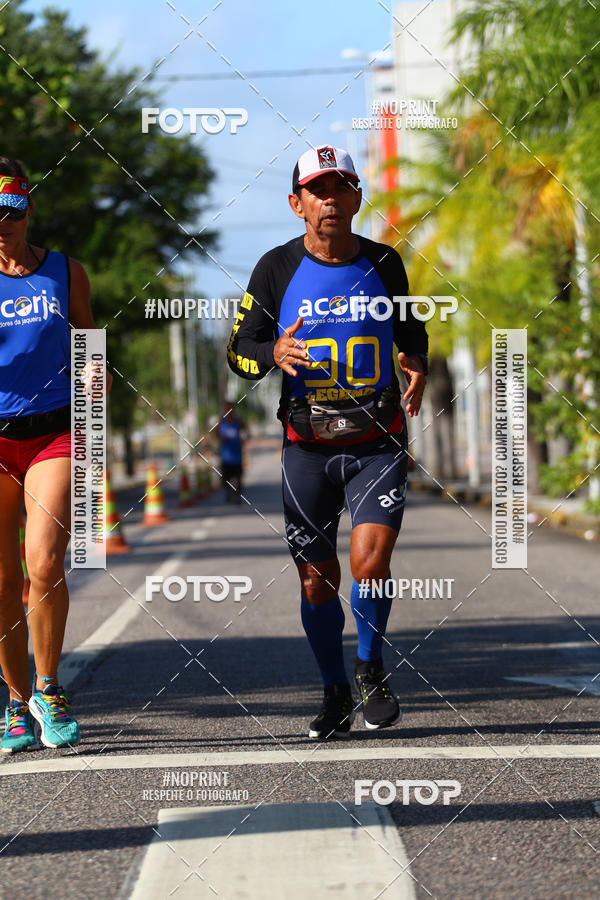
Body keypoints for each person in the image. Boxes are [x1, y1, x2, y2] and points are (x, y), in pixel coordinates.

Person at [227, 145, 428, 739]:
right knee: (317, 579)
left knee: (371, 561)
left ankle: (370, 667)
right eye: (319, 190)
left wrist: (416, 361)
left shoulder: (386, 262)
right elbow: (239, 351)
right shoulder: (274, 268)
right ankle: (334, 688)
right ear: (297, 204)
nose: (331, 199)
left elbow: (410, 330)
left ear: (357, 198)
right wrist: (272, 353)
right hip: (306, 445)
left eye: (342, 187)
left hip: (377, 441)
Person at [0, 157, 112, 753]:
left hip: (55, 433)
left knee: (43, 562)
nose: (1, 223)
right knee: (1, 579)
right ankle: (16, 705)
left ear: (27, 210)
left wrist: (97, 378)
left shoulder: (66, 272)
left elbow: (88, 340)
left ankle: (49, 687)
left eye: (10, 211)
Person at [217, 399, 246, 503]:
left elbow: (246, 432)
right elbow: (215, 435)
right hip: (226, 457)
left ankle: (237, 496)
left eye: (231, 408)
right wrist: (220, 439)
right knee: (225, 480)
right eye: (227, 408)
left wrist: (243, 439)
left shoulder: (238, 422)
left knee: (238, 479)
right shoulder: (221, 422)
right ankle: (228, 494)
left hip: (237, 456)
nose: (229, 410)